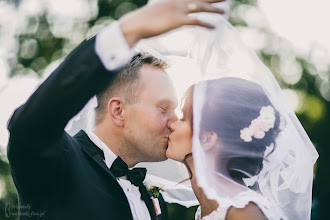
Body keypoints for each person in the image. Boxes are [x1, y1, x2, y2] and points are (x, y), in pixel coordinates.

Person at [6, 0, 226, 219]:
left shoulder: (155, 199)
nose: (174, 121)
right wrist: (128, 30)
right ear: (118, 111)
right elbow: (28, 126)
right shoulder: (57, 163)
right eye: (162, 108)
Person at [166, 77, 315, 220]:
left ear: (207, 139)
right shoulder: (210, 207)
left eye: (183, 119)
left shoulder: (244, 211)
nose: (172, 125)